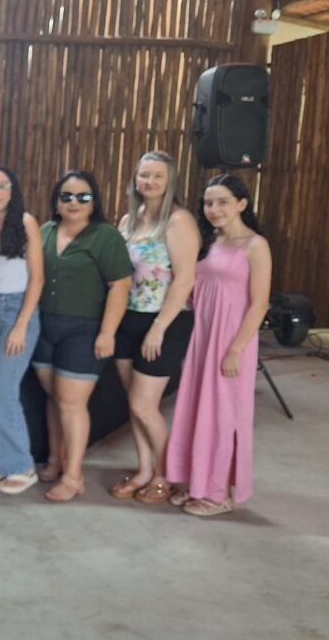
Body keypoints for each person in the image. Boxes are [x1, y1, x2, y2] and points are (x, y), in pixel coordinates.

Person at [165, 175, 271, 517]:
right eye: (209, 203)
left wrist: (236, 350)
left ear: (242, 204)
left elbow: (259, 303)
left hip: (231, 341)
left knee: (224, 416)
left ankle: (220, 493)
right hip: (203, 338)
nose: (214, 209)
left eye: (223, 201)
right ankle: (196, 482)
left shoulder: (255, 245)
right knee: (197, 410)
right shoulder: (208, 243)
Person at [33, 170, 132, 502]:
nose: (74, 202)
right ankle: (55, 459)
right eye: (66, 196)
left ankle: (74, 476)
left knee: (72, 403)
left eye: (83, 197)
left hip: (84, 330)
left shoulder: (105, 236)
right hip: (44, 328)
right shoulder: (45, 231)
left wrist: (107, 332)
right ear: (56, 201)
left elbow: (120, 286)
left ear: (94, 202)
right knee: (55, 399)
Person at [110, 152, 199, 504]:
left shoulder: (178, 221)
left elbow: (185, 279)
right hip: (128, 318)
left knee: (144, 405)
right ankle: (145, 469)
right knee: (133, 405)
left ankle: (168, 474)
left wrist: (159, 327)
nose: (149, 182)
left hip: (164, 320)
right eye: (144, 175)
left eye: (157, 176)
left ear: (170, 181)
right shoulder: (128, 221)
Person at [0, 165, 44, 495]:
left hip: (18, 312)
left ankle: (21, 466)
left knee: (1, 392)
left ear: (12, 190)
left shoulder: (26, 223)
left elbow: (37, 279)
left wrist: (21, 325)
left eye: (2, 186)